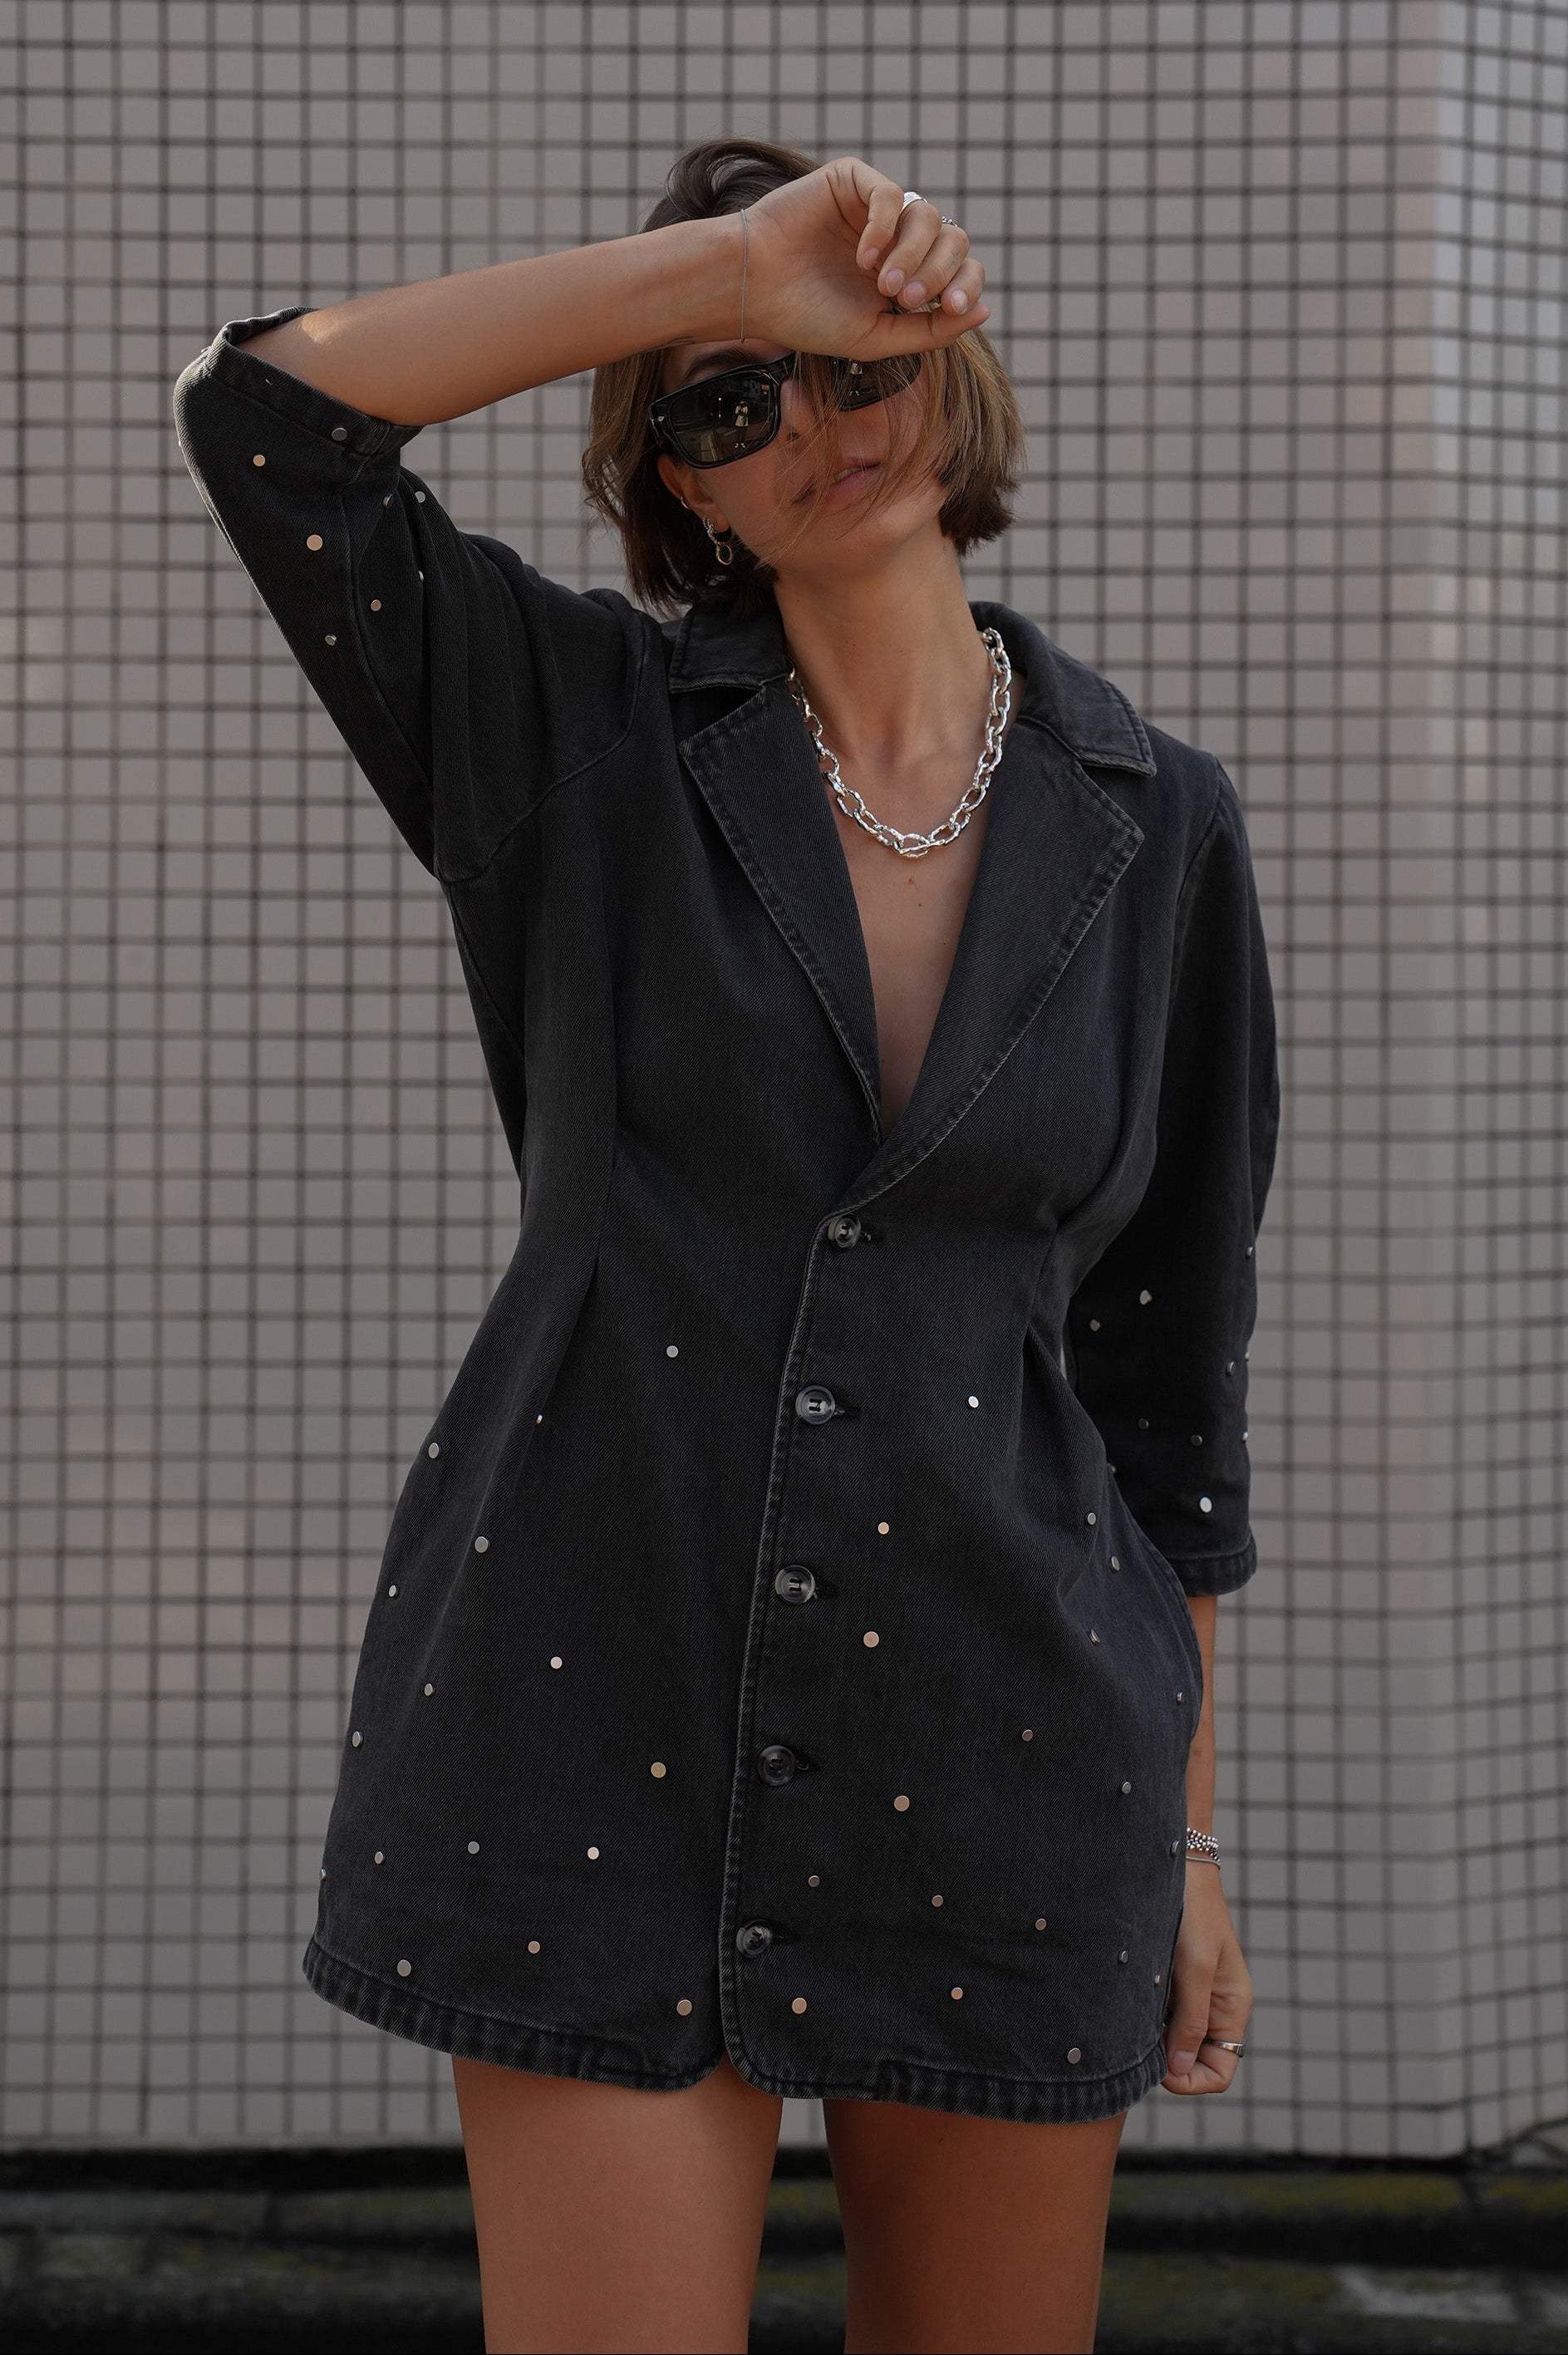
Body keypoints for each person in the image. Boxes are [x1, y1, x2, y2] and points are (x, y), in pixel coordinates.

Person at [174, 135, 1280, 2355]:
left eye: (842, 366)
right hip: (600, 1713)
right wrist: (727, 264)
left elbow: (1167, 1393)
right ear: (673, 484)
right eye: (721, 405)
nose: (807, 429)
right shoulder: (569, 739)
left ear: (941, 368)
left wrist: (1186, 1851)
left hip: (1019, 1742)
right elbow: (268, 416)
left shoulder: (1155, 825)